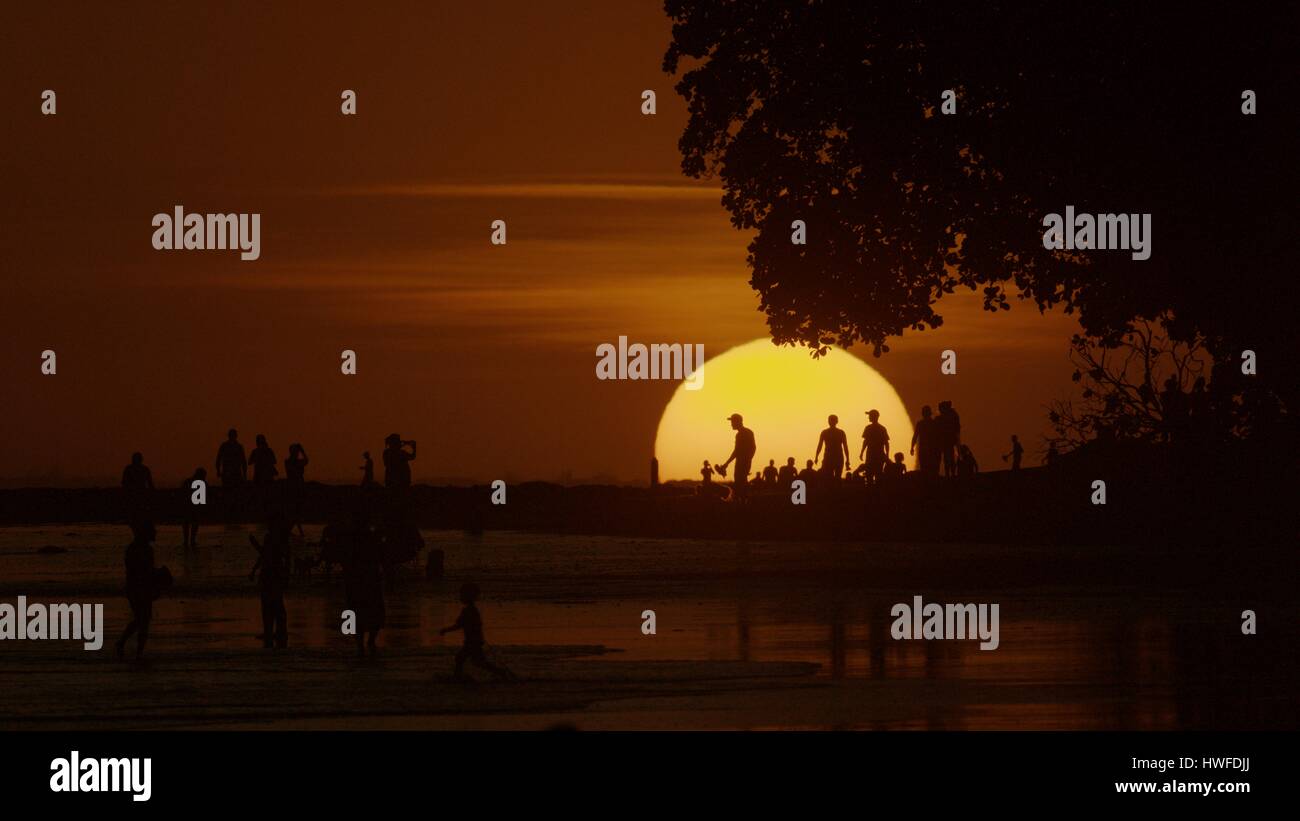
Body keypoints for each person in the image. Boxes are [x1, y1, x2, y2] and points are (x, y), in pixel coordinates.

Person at [439, 582, 515, 681]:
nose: (460, 597)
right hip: (474, 641)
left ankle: (457, 677)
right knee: (477, 661)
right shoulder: (472, 610)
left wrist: (445, 630)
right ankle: (501, 673)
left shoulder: (469, 611)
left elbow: (460, 625)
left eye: (462, 595)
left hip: (472, 642)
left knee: (463, 659)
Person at [343, 512, 385, 657]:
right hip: (367, 577)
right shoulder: (370, 537)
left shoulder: (352, 537)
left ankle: (362, 643)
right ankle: (369, 641)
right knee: (373, 610)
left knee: (356, 610)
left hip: (358, 578)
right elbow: (379, 555)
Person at [116, 519, 158, 660]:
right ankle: (136, 651)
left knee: (141, 620)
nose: (156, 533)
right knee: (143, 620)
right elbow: (145, 571)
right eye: (153, 531)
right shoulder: (143, 549)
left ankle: (127, 645)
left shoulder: (134, 548)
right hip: (139, 588)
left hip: (135, 588)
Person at [248, 512, 291, 648]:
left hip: (272, 574)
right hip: (271, 574)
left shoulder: (277, 539)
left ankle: (275, 632)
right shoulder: (275, 538)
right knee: (274, 605)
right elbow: (266, 555)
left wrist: (255, 546)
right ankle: (275, 632)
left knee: (271, 605)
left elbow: (268, 555)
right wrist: (254, 570)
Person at [717, 414, 756, 502]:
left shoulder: (741, 434)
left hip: (742, 462)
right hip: (744, 461)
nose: (731, 424)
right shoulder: (748, 432)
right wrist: (749, 460)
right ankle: (744, 501)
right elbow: (753, 448)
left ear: (738, 422)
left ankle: (742, 502)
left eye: (732, 422)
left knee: (739, 482)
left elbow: (736, 451)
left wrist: (726, 464)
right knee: (742, 482)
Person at [284, 443, 309, 537]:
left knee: (296, 510)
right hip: (293, 487)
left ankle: (297, 530)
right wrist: (302, 450)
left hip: (298, 487)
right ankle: (298, 531)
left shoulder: (296, 461)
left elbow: (306, 460)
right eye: (295, 451)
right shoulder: (289, 462)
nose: (296, 453)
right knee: (295, 510)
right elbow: (305, 461)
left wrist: (302, 450)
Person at [859, 410, 890, 484]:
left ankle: (872, 493)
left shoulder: (868, 428)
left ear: (874, 417)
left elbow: (865, 442)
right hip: (879, 455)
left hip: (871, 455)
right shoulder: (882, 428)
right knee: (878, 474)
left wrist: (862, 452)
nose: (869, 417)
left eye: (870, 416)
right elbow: (886, 443)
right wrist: (887, 455)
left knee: (870, 475)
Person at [815, 414, 850, 480]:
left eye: (832, 420)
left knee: (836, 477)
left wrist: (848, 459)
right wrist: (816, 456)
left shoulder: (840, 432)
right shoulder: (825, 432)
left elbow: (845, 446)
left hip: (837, 457)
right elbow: (820, 445)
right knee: (830, 477)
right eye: (829, 420)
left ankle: (835, 489)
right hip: (829, 457)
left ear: (836, 421)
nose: (830, 422)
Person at [910, 405, 941, 476]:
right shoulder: (934, 423)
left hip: (927, 449)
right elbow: (915, 436)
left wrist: (912, 447)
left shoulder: (921, 424)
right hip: (931, 449)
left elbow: (915, 436)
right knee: (930, 469)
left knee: (925, 468)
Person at [180, 467, 206, 547]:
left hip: (187, 505)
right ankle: (192, 540)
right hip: (195, 506)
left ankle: (186, 540)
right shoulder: (202, 483)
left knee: (186, 523)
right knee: (194, 523)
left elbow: (182, 493)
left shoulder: (187, 481)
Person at [937, 401, 962, 478]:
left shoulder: (942, 418)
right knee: (950, 456)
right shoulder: (954, 416)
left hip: (947, 439)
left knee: (947, 456)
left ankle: (949, 473)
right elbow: (958, 428)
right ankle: (951, 473)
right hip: (950, 439)